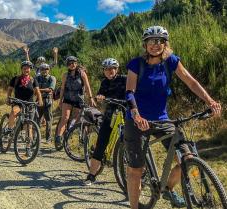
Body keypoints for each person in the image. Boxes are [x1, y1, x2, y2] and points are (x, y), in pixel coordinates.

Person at [125, 26, 221, 209]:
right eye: (151, 41)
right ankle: (134, 206)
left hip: (162, 119)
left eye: (160, 41)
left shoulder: (171, 62)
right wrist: (136, 115)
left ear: (165, 44)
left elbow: (191, 82)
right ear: (145, 44)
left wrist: (210, 101)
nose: (156, 44)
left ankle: (167, 188)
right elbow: (130, 92)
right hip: (138, 120)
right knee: (136, 169)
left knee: (188, 158)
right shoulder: (136, 64)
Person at [84, 58, 126, 185]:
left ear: (117, 69)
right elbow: (100, 95)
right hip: (110, 114)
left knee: (133, 140)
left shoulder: (125, 79)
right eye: (107, 69)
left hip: (126, 112)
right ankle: (91, 175)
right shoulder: (104, 83)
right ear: (104, 71)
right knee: (101, 143)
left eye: (112, 68)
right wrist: (100, 97)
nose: (110, 71)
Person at [55, 56, 96, 148]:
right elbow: (62, 88)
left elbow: (87, 86)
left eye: (74, 63)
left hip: (78, 100)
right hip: (67, 99)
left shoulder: (82, 73)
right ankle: (58, 137)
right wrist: (60, 100)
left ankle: (70, 132)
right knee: (65, 117)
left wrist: (91, 98)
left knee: (76, 119)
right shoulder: (65, 75)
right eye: (70, 63)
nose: (72, 65)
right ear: (67, 65)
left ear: (76, 64)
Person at [6, 61, 43, 157]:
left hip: (30, 104)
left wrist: (40, 100)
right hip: (18, 102)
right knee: (14, 111)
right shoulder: (16, 79)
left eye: (28, 68)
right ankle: (9, 129)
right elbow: (10, 89)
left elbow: (38, 92)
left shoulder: (33, 79)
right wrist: (8, 98)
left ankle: (28, 148)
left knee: (29, 127)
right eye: (25, 68)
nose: (26, 69)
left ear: (30, 70)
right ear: (21, 69)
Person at [35, 63, 56, 143]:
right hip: (38, 100)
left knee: (48, 120)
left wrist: (38, 90)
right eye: (42, 69)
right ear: (40, 70)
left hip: (48, 101)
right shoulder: (37, 78)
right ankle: (36, 137)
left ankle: (48, 138)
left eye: (46, 69)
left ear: (49, 70)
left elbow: (50, 89)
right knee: (37, 119)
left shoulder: (52, 78)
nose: (44, 70)